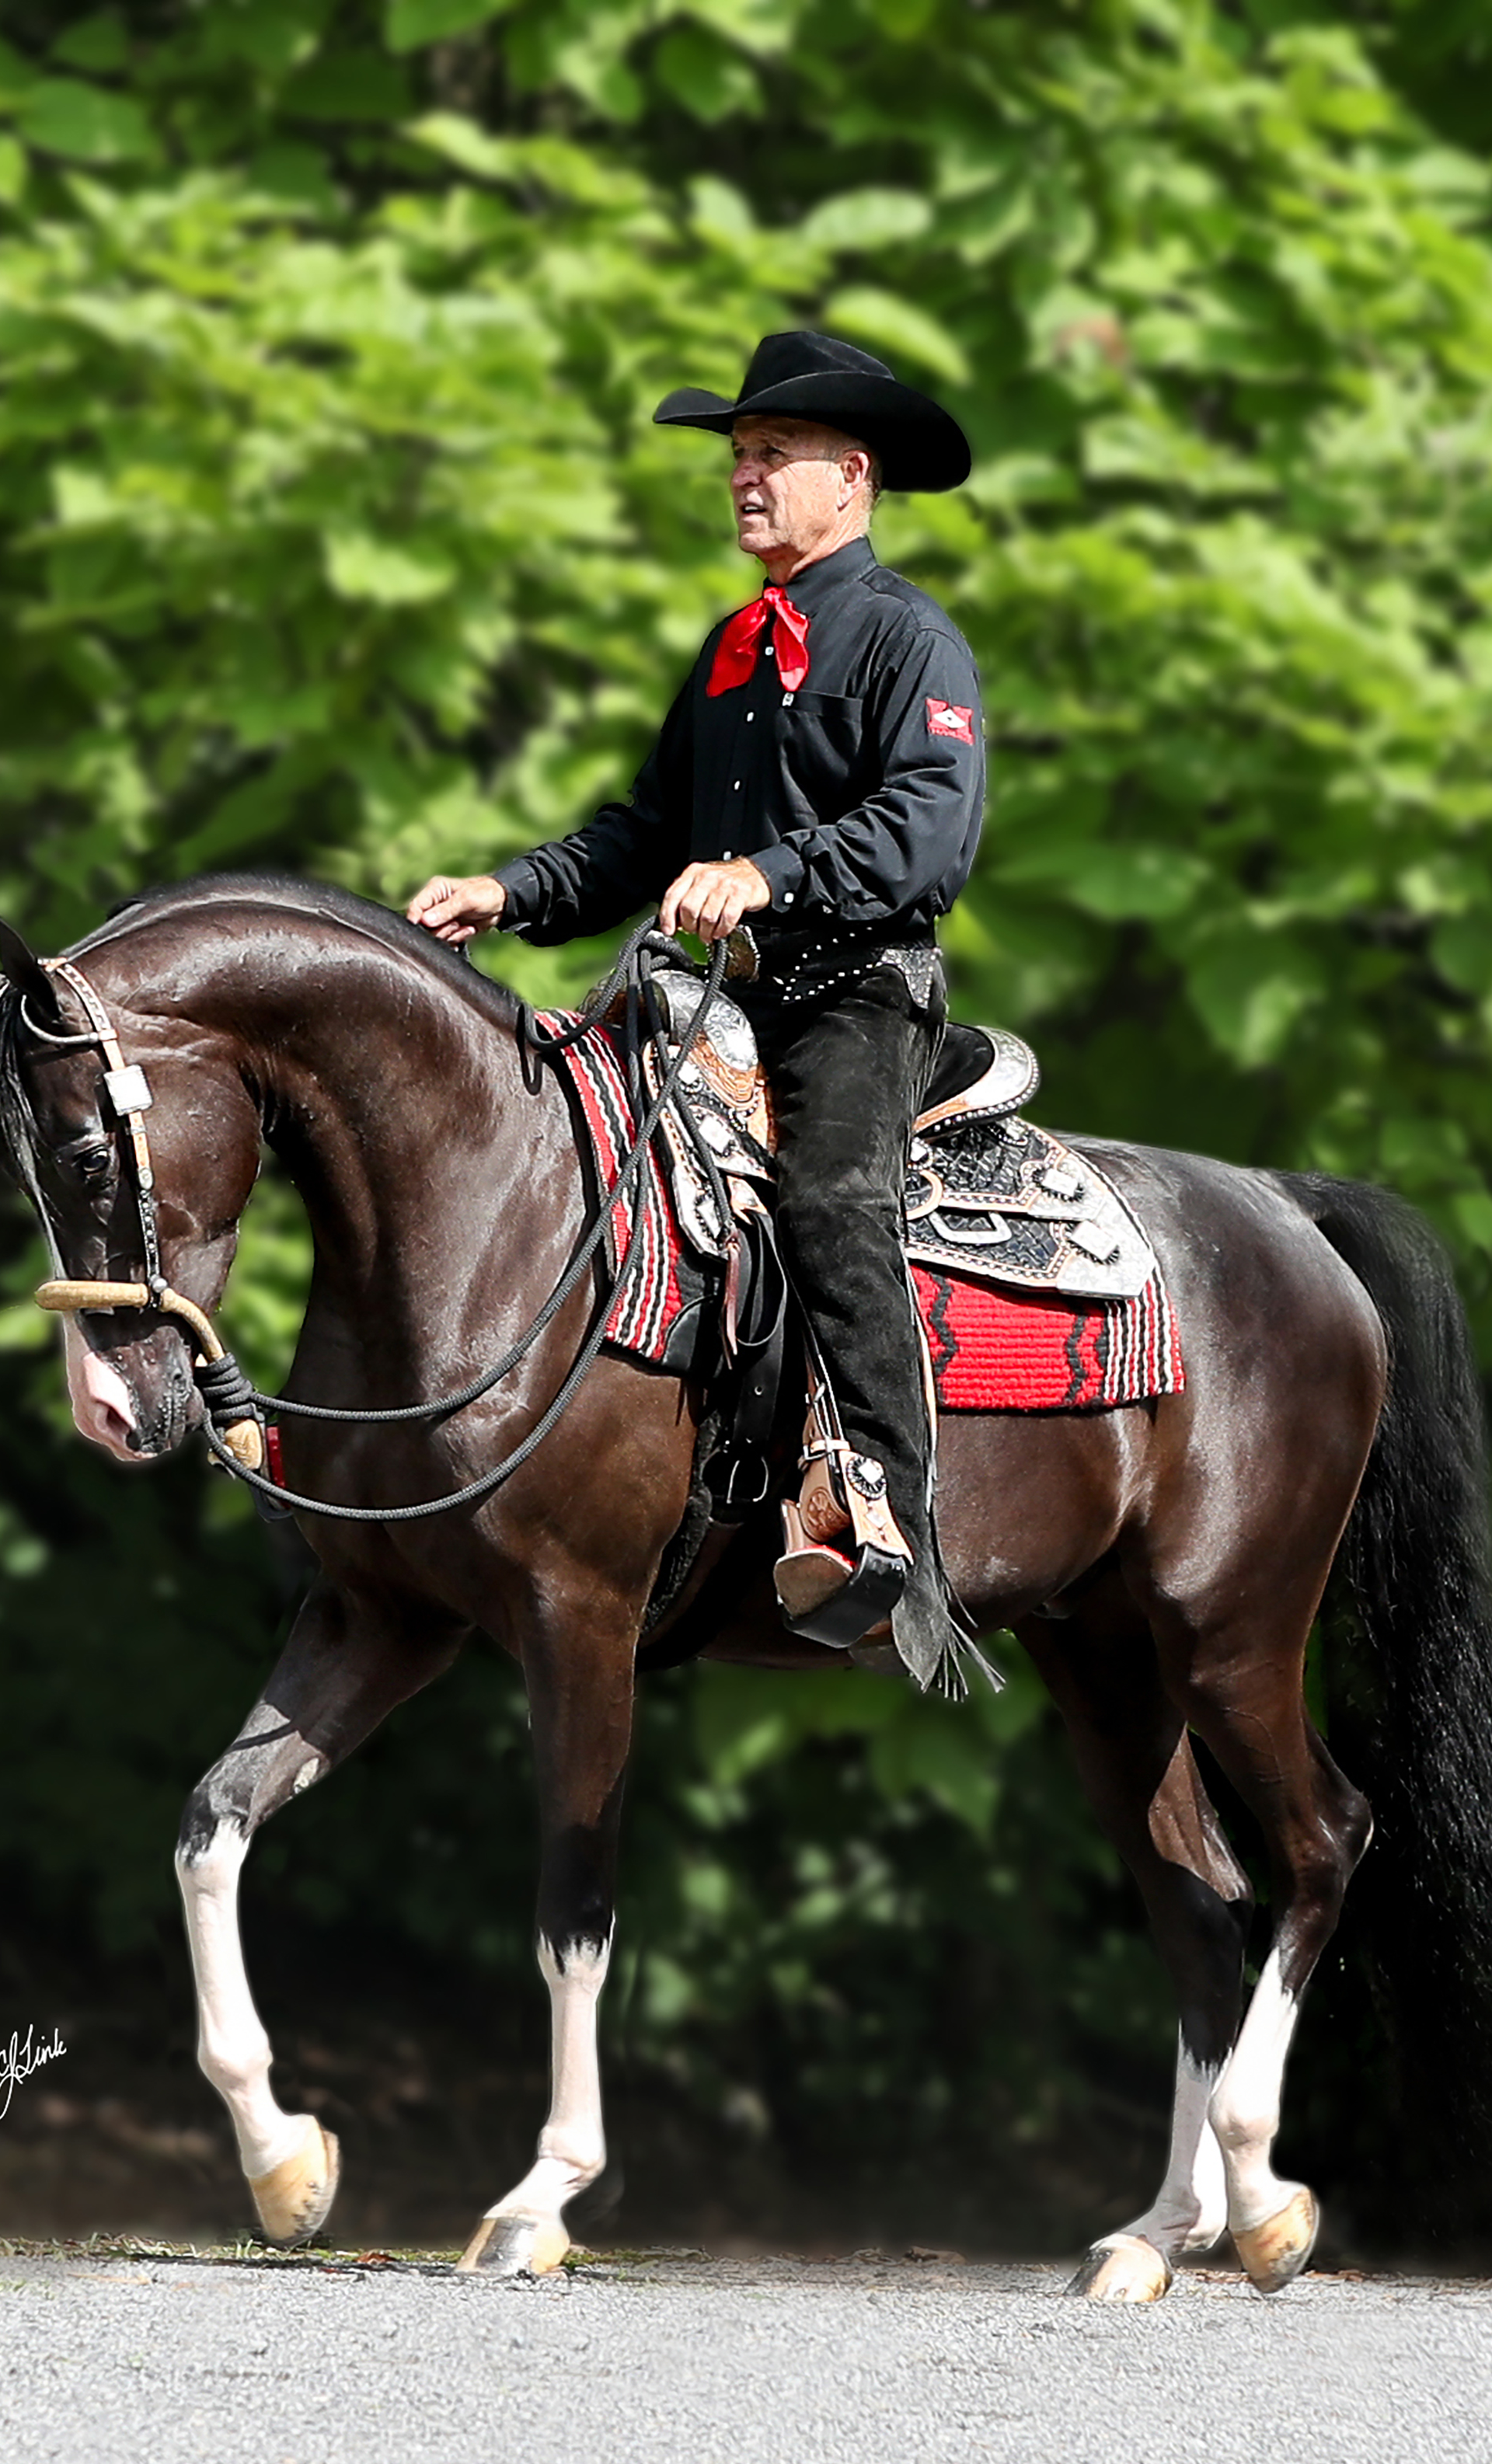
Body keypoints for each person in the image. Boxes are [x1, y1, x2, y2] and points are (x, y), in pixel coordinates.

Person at [409, 329, 987, 1692]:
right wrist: (510, 890)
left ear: (851, 478)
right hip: (710, 1003)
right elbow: (643, 833)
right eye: (737, 458)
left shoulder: (912, 641)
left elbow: (927, 832)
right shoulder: (731, 649)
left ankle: (891, 1522)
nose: (744, 478)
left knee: (829, 1198)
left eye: (770, 458)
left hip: (853, 996)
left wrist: (767, 873)